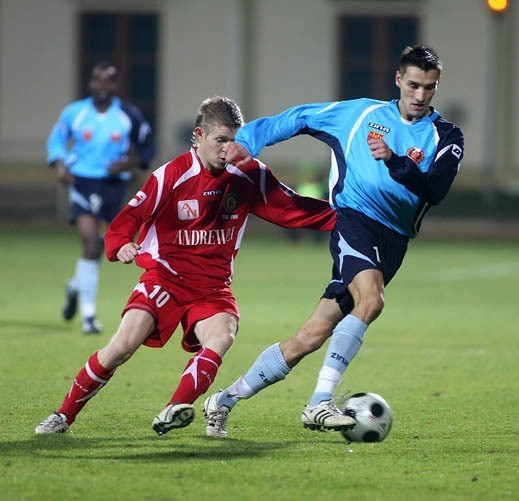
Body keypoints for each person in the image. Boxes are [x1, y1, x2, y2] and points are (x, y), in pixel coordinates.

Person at [202, 45, 465, 438]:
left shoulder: (446, 135)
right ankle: (319, 402)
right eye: (413, 85)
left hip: (394, 240)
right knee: (371, 301)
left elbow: (435, 189)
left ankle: (223, 400)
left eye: (429, 88)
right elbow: (301, 117)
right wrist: (251, 139)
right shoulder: (360, 115)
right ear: (398, 80)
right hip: (354, 221)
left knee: (310, 336)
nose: (420, 95)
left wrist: (395, 160)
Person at [35, 96, 336, 435]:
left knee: (222, 337)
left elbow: (292, 208)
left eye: (234, 139)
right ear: (199, 135)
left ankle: (174, 409)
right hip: (165, 279)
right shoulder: (171, 176)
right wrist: (119, 244)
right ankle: (62, 415)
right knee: (121, 348)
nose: (228, 149)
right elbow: (128, 218)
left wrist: (348, 218)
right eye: (220, 140)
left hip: (212, 287)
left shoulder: (249, 173)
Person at [46, 61, 154, 334]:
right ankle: (89, 316)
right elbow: (56, 141)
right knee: (91, 242)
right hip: (81, 181)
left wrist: (127, 164)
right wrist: (60, 166)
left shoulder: (129, 115)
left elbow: (144, 149)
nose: (102, 86)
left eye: (109, 81)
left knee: (103, 247)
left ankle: (75, 286)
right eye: (98, 80)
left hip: (113, 187)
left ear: (116, 86)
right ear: (91, 83)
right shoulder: (75, 113)